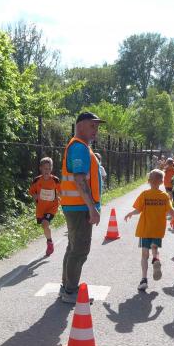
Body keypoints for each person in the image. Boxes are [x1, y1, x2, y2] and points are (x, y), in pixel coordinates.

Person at [59, 112, 104, 304]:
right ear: (80, 126)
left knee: (73, 247)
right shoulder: (79, 147)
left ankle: (66, 287)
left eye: (97, 126)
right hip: (79, 207)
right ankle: (70, 291)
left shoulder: (80, 146)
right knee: (79, 249)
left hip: (75, 206)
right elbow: (79, 180)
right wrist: (92, 208)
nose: (96, 130)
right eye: (92, 125)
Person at [124, 169, 174, 291]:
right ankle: (156, 259)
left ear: (148, 181)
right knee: (155, 248)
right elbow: (171, 210)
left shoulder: (145, 194)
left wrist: (131, 213)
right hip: (158, 229)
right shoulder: (164, 196)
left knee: (144, 255)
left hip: (145, 228)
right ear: (162, 182)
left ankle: (144, 279)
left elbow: (138, 210)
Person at [29, 157, 60, 256]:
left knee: (45, 223)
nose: (47, 171)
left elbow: (61, 191)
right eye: (45, 168)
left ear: (51, 169)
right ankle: (49, 240)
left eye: (49, 168)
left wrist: (59, 197)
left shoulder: (55, 180)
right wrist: (35, 196)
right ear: (40, 168)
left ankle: (49, 244)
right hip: (41, 208)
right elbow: (31, 192)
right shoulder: (37, 180)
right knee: (44, 226)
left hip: (52, 207)